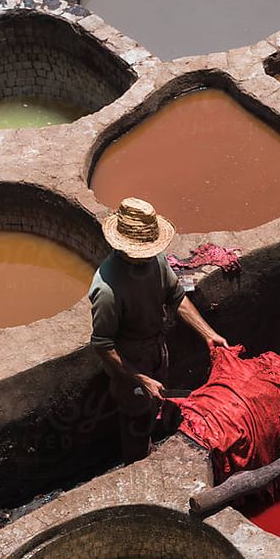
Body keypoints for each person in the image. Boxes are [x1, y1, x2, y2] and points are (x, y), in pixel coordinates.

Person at [88, 197, 229, 463]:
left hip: (156, 348)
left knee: (156, 406)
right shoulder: (107, 289)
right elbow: (102, 344)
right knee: (136, 419)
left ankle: (154, 436)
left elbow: (176, 297)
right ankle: (138, 462)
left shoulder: (156, 261)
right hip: (130, 362)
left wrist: (209, 335)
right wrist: (140, 378)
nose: (148, 256)